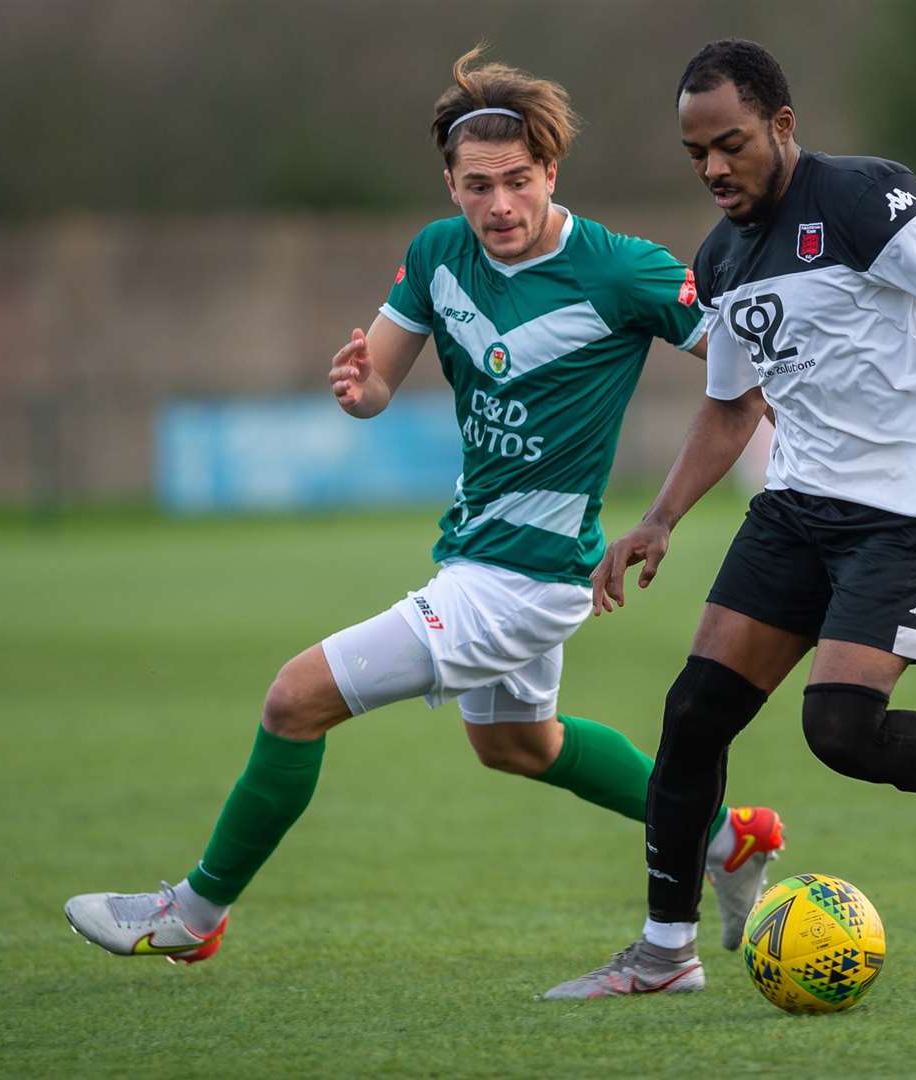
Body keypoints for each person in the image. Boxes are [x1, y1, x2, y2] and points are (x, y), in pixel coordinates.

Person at [63, 47, 784, 966]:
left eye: (518, 181)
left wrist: (671, 510)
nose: (500, 206)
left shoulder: (622, 270)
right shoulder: (438, 255)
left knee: (294, 700)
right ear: (449, 183)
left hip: (526, 577)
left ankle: (192, 916)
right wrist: (359, 387)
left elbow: (745, 376)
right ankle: (730, 838)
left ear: (550, 171)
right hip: (477, 555)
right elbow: (376, 383)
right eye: (477, 185)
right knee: (520, 745)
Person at [543, 39, 916, 1000]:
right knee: (694, 715)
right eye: (695, 153)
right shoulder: (722, 253)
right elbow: (733, 405)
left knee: (842, 732)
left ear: (781, 125)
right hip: (794, 508)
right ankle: (663, 953)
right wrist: (658, 518)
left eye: (730, 144)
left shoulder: (867, 199)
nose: (713, 169)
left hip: (905, 515)